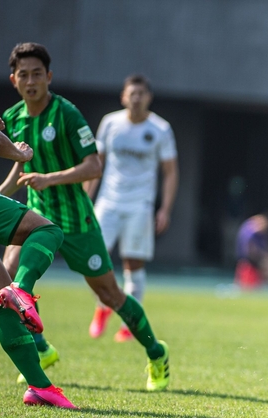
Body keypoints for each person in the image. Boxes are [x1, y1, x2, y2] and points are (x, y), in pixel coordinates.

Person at [0, 42, 169, 392]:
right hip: (36, 216)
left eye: (37, 74)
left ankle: (156, 352)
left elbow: (94, 166)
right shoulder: (13, 118)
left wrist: (50, 179)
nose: (30, 81)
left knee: (111, 295)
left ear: (49, 77)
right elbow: (20, 171)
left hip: (77, 222)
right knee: (8, 279)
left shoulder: (67, 114)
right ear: (13, 80)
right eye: (23, 75)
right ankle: (41, 350)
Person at [0, 29, 75, 408]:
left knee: (0, 305)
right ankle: (23, 289)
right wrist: (19, 153)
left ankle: (40, 387)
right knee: (48, 231)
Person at [83, 74, 179, 342]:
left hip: (140, 205)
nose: (136, 98)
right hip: (108, 202)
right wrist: (85, 199)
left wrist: (165, 209)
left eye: (141, 94)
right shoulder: (110, 123)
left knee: (133, 263)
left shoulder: (160, 129)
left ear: (149, 98)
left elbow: (170, 171)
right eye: (132, 93)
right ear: (123, 97)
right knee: (93, 258)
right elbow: (96, 164)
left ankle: (130, 320)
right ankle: (103, 306)